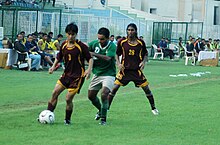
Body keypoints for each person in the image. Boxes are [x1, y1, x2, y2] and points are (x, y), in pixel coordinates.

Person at [43, 23, 93, 125]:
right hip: (66, 75)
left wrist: (89, 70)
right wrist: (53, 66)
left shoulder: (81, 46)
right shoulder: (64, 45)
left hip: (78, 76)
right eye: (69, 34)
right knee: (54, 93)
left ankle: (67, 120)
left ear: (76, 34)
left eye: (73, 34)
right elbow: (59, 57)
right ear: (66, 34)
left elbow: (90, 58)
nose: (71, 36)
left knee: (68, 98)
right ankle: (48, 114)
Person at [108, 23, 159, 115]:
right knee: (114, 88)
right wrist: (118, 63)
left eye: (132, 30)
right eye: (129, 30)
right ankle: (106, 109)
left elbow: (145, 54)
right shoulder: (122, 42)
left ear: (136, 31)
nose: (130, 32)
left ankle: (153, 108)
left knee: (146, 89)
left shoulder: (140, 43)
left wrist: (143, 62)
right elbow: (117, 54)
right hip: (124, 71)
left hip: (136, 71)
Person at [88, 27, 116, 125]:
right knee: (91, 96)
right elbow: (85, 51)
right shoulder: (94, 44)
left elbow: (108, 58)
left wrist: (93, 54)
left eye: (102, 39)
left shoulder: (112, 46)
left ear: (108, 38)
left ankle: (103, 119)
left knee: (104, 94)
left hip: (109, 74)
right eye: (99, 38)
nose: (100, 41)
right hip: (97, 73)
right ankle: (101, 110)